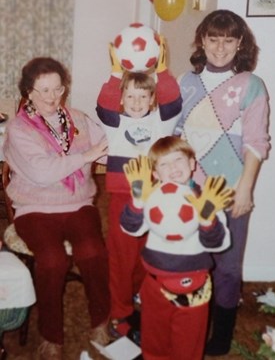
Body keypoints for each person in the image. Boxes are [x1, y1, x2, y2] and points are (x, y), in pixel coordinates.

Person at [175, 9, 271, 356]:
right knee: (191, 262)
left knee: (228, 267)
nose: (220, 47)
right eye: (213, 39)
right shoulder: (185, 82)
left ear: (240, 43)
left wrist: (245, 188)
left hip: (231, 190)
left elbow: (256, 142)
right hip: (189, 190)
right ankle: (191, 326)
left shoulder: (252, 85)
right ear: (202, 40)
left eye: (228, 40)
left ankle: (221, 337)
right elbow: (173, 136)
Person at [3, 57, 110, 360]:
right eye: (43, 91)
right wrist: (86, 156)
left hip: (78, 204)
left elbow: (108, 147)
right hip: (35, 208)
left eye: (57, 89)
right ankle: (51, 336)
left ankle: (101, 320)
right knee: (52, 260)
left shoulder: (78, 118)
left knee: (93, 252)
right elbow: (42, 172)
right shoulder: (19, 129)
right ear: (28, 92)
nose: (51, 98)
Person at [96, 38, 182, 339]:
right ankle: (119, 312)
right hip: (123, 198)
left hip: (156, 200)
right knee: (122, 256)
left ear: (151, 100)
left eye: (142, 97)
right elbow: (104, 102)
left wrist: (161, 68)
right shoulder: (115, 123)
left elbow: (173, 100)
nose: (135, 103)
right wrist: (116, 72)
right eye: (130, 97)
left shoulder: (161, 124)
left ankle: (139, 296)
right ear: (123, 99)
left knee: (150, 252)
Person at [120, 136, 233, 360]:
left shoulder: (206, 199)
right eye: (164, 164)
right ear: (154, 174)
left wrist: (207, 221)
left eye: (178, 160)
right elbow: (130, 229)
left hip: (194, 287)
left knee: (188, 343)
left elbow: (221, 243)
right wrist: (137, 201)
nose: (172, 168)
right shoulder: (151, 198)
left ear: (192, 164)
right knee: (154, 337)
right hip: (154, 282)